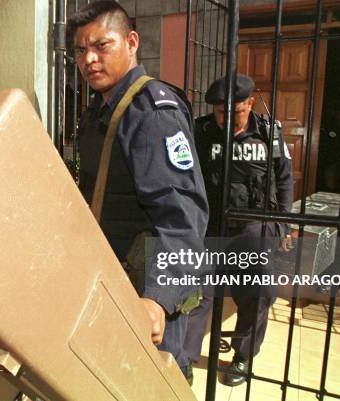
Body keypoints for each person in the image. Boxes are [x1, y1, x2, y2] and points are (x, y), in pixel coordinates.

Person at [67, 0, 211, 380]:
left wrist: (158, 299)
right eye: (81, 50)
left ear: (132, 42)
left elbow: (181, 217)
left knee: (155, 383)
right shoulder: (100, 111)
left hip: (146, 297)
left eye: (102, 46)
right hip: (114, 285)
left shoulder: (151, 113)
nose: (89, 60)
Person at [194, 74, 293, 386]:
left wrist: (285, 225)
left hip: (254, 224)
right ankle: (183, 356)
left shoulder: (268, 132)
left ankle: (242, 356)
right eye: (220, 113)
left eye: (235, 112)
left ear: (250, 103)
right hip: (210, 225)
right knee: (196, 294)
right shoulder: (202, 130)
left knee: (256, 291)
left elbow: (284, 178)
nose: (226, 120)